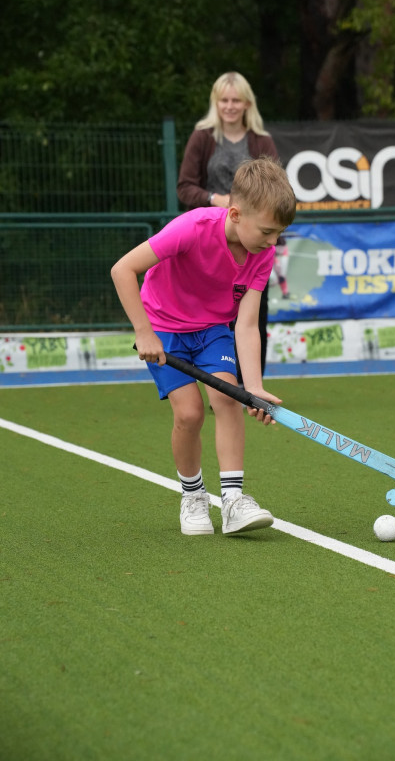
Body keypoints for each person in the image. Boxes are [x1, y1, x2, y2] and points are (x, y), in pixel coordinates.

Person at [111, 157, 296, 537]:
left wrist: (255, 386)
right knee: (191, 414)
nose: (273, 241)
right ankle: (193, 496)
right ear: (235, 213)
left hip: (213, 328)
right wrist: (145, 333)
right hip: (164, 327)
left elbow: (246, 324)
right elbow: (123, 269)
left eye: (278, 233)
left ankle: (233, 501)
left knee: (226, 398)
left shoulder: (262, 252)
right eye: (267, 231)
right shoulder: (192, 228)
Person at [177, 71, 281, 381]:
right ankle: (216, 379)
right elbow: (185, 187)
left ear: (247, 103)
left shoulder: (261, 140)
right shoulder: (202, 137)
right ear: (216, 102)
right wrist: (215, 199)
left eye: (236, 100)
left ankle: (251, 385)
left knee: (252, 313)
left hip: (252, 238)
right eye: (224, 100)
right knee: (213, 312)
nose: (230, 106)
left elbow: (277, 187)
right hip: (212, 236)